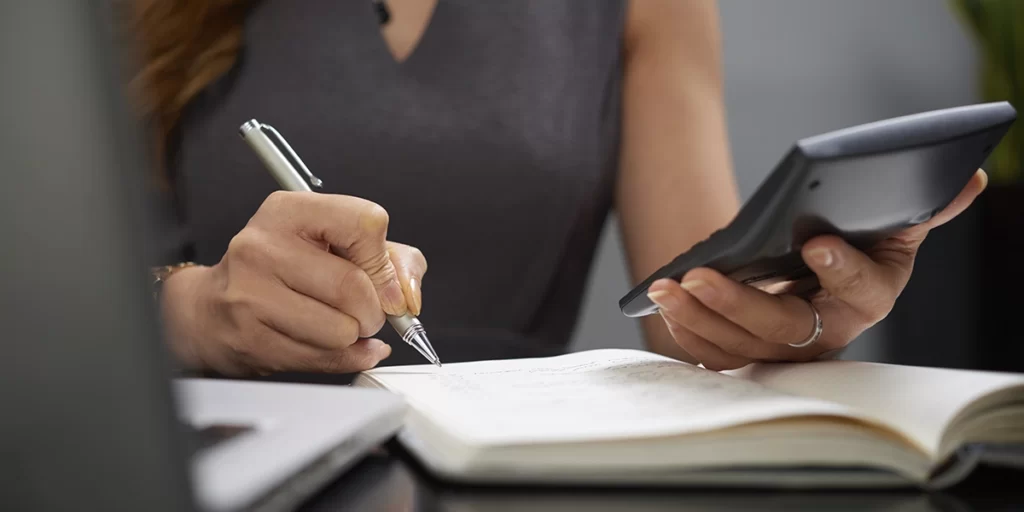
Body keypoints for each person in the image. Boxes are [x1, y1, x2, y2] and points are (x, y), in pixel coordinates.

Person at [129, 0, 986, 377]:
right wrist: (196, 313)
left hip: (512, 469)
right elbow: (42, 304)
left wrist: (801, 306)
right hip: (205, 457)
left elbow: (691, 310)